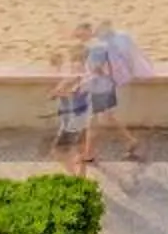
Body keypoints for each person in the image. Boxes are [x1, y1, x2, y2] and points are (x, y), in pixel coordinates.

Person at [76, 17, 151, 164]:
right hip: (107, 86)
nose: (79, 37)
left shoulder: (95, 48)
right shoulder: (100, 44)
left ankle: (89, 154)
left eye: (80, 34)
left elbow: (97, 70)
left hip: (100, 88)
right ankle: (131, 141)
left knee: (93, 121)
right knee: (108, 117)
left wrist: (83, 83)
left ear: (87, 32)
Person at [47, 48, 94, 175]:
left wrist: (57, 90)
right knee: (80, 150)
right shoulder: (89, 76)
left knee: (58, 151)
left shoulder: (74, 78)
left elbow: (55, 95)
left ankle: (74, 177)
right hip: (83, 119)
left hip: (72, 122)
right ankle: (81, 177)